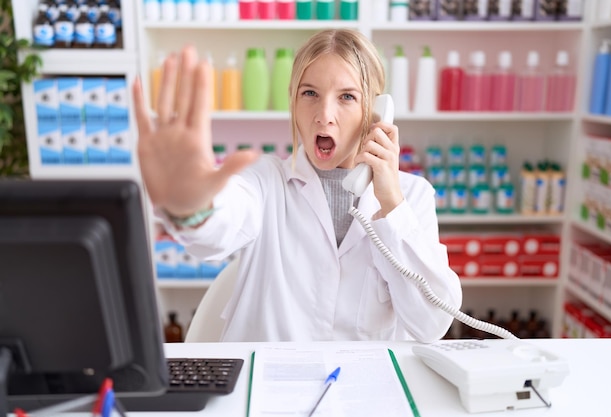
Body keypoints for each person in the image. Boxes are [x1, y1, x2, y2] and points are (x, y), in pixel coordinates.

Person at [132, 28, 462, 342]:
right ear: (293, 101)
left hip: (364, 391)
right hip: (268, 389)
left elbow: (431, 324)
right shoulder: (263, 181)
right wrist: (191, 207)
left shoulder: (413, 197)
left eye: (347, 96)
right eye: (310, 94)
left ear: (375, 112)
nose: (324, 115)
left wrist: (390, 204)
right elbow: (221, 223)